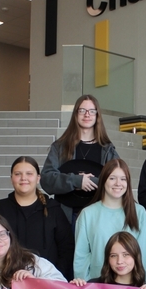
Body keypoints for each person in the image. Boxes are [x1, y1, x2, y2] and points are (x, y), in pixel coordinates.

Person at [0, 155, 74, 279]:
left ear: (38, 178)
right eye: (18, 174)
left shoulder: (53, 209)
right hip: (5, 282)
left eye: (29, 174)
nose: (23, 178)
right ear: (11, 178)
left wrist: (54, 277)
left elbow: (66, 248)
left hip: (45, 282)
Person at [41, 94, 119, 226]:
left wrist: (90, 181)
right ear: (75, 114)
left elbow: (118, 180)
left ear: (97, 115)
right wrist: (76, 181)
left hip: (98, 216)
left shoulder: (108, 150)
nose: (87, 115)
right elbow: (46, 179)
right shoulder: (59, 147)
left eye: (92, 111)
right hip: (67, 215)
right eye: (82, 110)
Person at [74, 159, 146, 282]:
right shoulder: (87, 214)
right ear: (103, 180)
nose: (117, 183)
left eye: (123, 179)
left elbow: (145, 254)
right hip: (97, 287)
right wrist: (85, 288)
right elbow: (81, 256)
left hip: (131, 288)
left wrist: (145, 285)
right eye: (112, 178)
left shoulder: (139, 212)